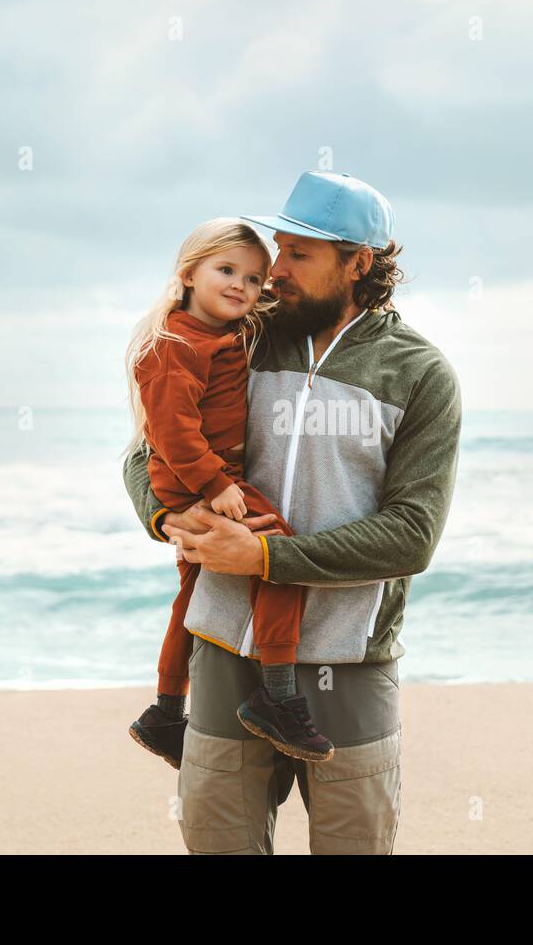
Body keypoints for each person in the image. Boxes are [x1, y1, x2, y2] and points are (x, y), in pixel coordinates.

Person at [122, 171, 461, 854]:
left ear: (359, 262)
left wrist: (268, 556)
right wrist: (167, 517)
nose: (274, 271)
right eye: (279, 248)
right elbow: (146, 449)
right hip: (222, 643)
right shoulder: (240, 337)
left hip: (349, 654)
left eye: (300, 254)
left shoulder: (420, 373)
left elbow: (413, 533)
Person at [124, 217, 335, 767]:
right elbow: (170, 432)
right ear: (189, 272)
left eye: (254, 278)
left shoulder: (221, 331)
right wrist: (215, 486)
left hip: (200, 480)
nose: (242, 286)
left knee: (192, 595)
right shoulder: (172, 345)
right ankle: (278, 696)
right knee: (278, 555)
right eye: (226, 271)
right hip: (206, 479)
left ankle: (166, 711)